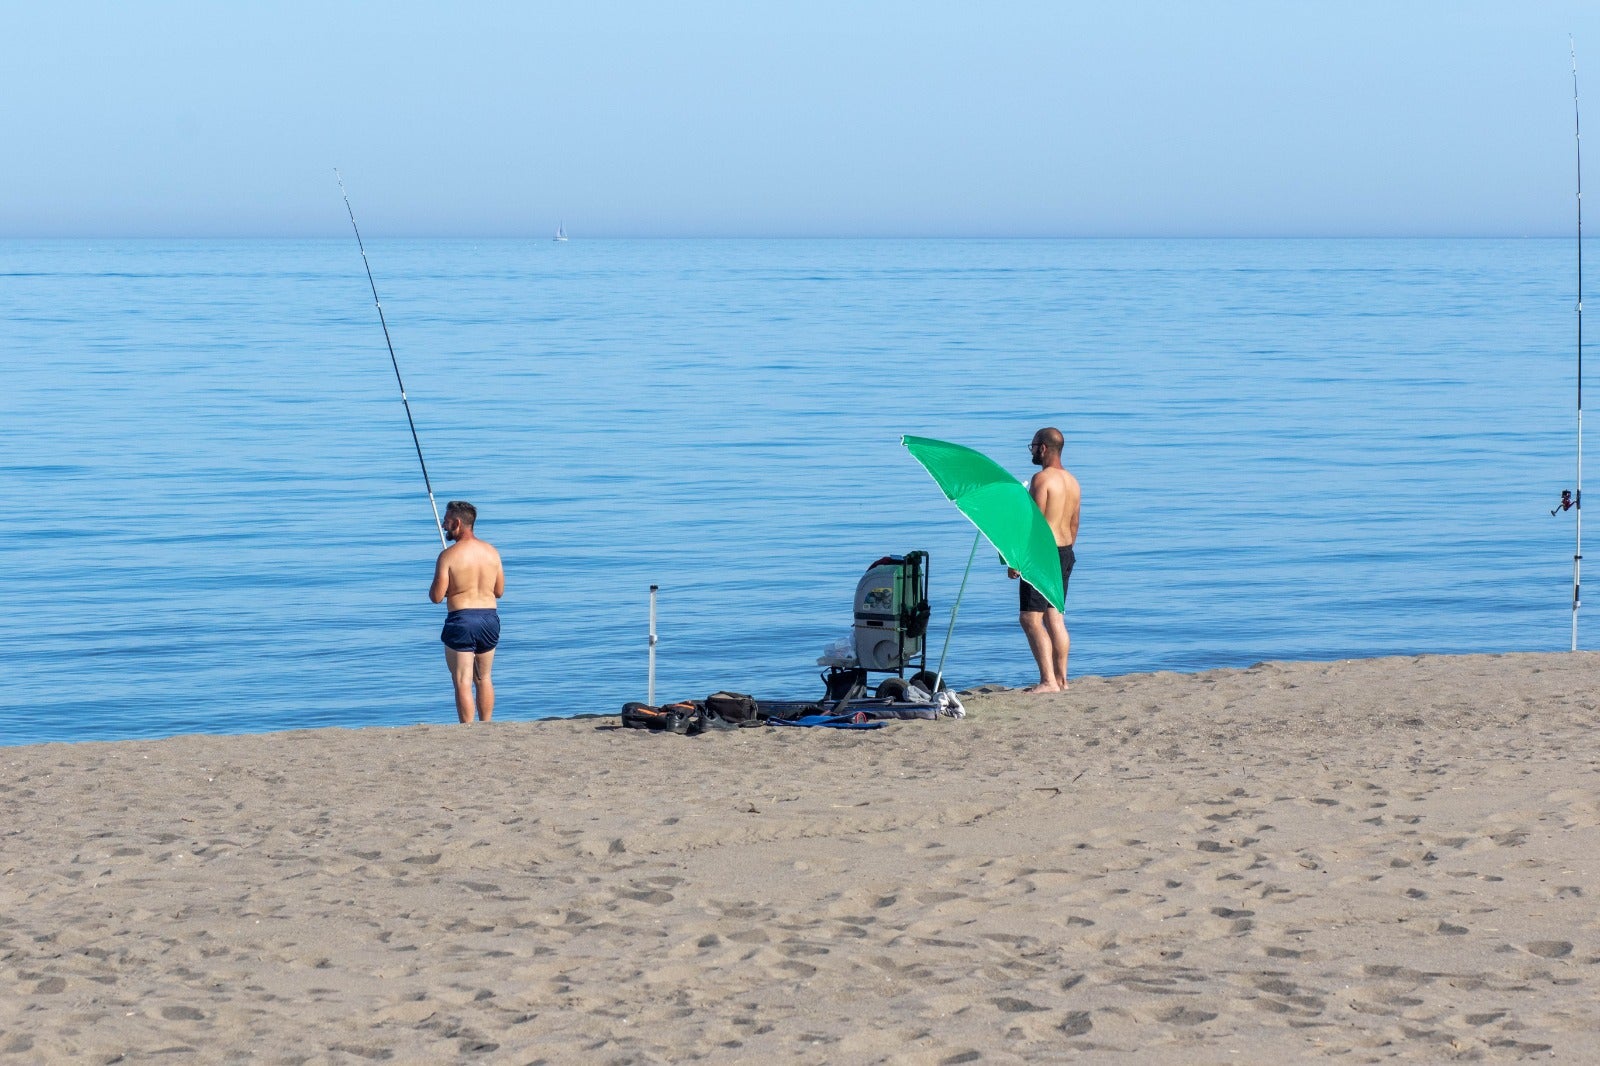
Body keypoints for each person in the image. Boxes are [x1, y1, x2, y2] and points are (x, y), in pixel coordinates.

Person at [1008, 427, 1080, 693]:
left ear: (1044, 448)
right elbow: (1074, 524)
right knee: (1055, 616)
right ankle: (1062, 680)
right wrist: (1066, 555)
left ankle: (1048, 681)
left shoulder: (1041, 479)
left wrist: (1017, 560)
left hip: (1042, 555)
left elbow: (1033, 525)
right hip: (1065, 552)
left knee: (1030, 618)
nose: (1032, 451)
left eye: (1033, 446)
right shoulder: (1073, 482)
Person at [429, 500, 505, 722]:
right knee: (484, 677)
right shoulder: (492, 552)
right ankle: (487, 724)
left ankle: (467, 729)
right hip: (489, 619)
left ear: (458, 523)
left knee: (462, 680)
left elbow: (435, 597)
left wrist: (453, 586)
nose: (443, 525)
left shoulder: (448, 556)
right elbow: (499, 591)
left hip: (462, 620)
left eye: (447, 521)